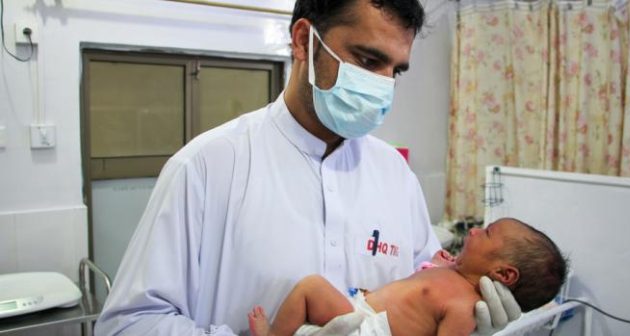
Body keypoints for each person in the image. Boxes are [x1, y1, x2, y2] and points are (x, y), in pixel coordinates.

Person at [94, 1, 520, 335]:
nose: (385, 86)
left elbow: (431, 287)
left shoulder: (394, 174)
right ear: (303, 41)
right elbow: (129, 323)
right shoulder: (206, 167)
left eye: (396, 70)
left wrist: (469, 311)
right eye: (369, 62)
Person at [248, 218, 568, 336]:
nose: (473, 229)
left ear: (503, 273)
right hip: (358, 309)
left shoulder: (465, 306)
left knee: (311, 286)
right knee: (310, 287)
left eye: (486, 233)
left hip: (370, 330)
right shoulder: (450, 270)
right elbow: (417, 282)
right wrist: (435, 263)